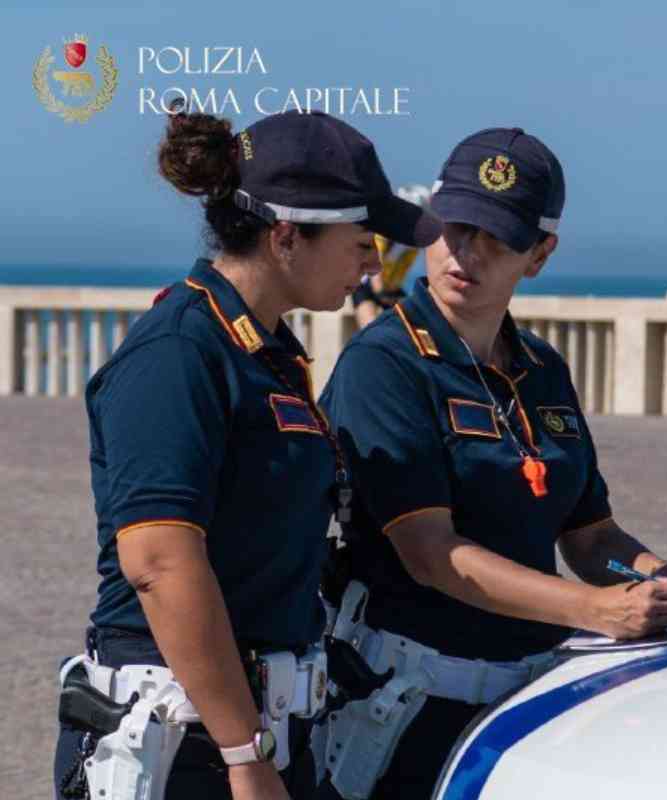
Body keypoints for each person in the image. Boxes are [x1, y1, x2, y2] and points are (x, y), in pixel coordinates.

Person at [316, 128, 667, 799]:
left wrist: (655, 577)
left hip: (526, 710)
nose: (465, 253)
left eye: (497, 237)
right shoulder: (385, 365)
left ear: (539, 255)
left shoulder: (541, 368)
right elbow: (430, 553)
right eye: (454, 227)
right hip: (405, 714)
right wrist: (596, 609)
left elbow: (591, 538)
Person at [52, 107, 440, 800]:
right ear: (287, 236)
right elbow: (160, 564)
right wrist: (243, 754)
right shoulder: (180, 353)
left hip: (262, 731)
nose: (374, 261)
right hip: (188, 746)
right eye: (361, 238)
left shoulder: (267, 352)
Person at [351, 185, 432, 329]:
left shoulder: (413, 242)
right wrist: (384, 294)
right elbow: (374, 272)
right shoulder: (384, 233)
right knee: (369, 329)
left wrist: (392, 293)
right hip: (366, 284)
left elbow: (402, 270)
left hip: (388, 287)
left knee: (415, 326)